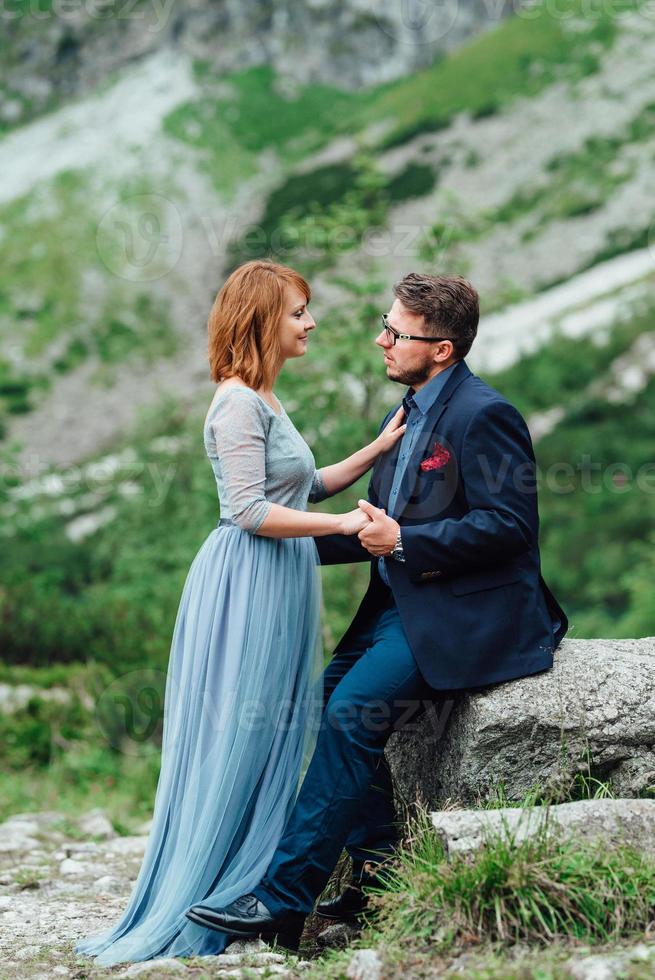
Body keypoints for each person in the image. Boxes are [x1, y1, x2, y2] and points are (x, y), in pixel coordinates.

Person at [185, 272, 569, 950]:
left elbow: (509, 527)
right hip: (400, 601)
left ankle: (280, 901)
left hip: (460, 611)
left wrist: (405, 540)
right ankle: (379, 872)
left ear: (441, 349)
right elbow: (366, 524)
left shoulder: (482, 414)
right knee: (324, 704)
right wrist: (265, 553)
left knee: (346, 714)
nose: (379, 339)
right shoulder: (410, 412)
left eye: (396, 332)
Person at [73, 259, 405, 966]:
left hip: (277, 581)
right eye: (297, 313)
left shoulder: (265, 399)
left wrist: (376, 450)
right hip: (246, 584)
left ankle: (254, 883)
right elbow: (249, 511)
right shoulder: (235, 404)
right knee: (240, 730)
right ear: (259, 320)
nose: (310, 323)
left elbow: (300, 485)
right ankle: (215, 889)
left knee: (273, 728)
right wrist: (348, 525)